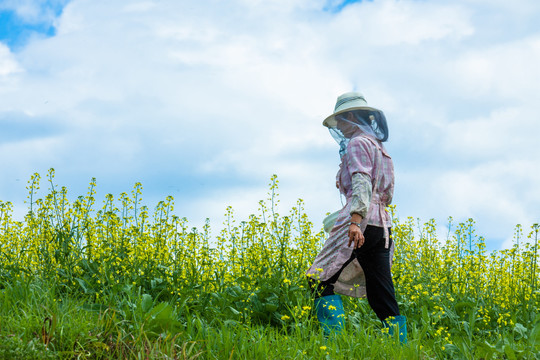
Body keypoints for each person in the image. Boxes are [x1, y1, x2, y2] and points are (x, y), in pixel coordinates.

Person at [306, 91, 407, 344]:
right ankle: (399, 346)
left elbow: (362, 182)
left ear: (351, 116)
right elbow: (386, 192)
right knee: (380, 288)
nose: (338, 126)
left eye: (340, 120)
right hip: (382, 226)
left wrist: (354, 221)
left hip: (360, 221)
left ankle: (335, 342)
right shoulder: (379, 148)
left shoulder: (357, 143)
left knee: (319, 277)